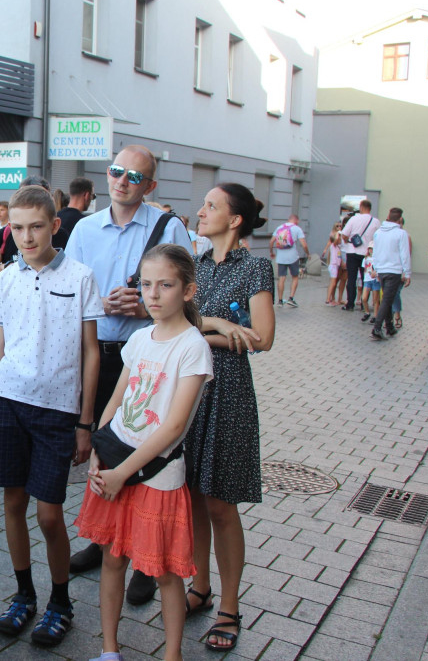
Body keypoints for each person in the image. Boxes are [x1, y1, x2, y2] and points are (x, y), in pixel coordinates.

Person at [65, 145, 191, 603]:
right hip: (97, 352)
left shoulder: (167, 226)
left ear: (150, 185)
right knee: (106, 446)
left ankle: (144, 560)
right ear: (107, 174)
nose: (122, 181)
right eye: (117, 171)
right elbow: (73, 293)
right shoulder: (84, 228)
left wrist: (142, 305)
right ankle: (102, 542)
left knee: (146, 452)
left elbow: (184, 295)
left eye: (134, 176)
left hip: (147, 356)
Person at [75, 243, 213, 661]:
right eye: (146, 284)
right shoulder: (138, 339)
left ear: (187, 291)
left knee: (166, 572)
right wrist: (100, 451)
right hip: (115, 465)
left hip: (157, 475)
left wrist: (122, 472)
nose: (153, 294)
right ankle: (109, 650)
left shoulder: (192, 347)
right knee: (113, 560)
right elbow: (115, 402)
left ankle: (172, 654)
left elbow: (173, 425)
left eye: (165, 285)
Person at [0, 186, 103, 647]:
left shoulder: (81, 275)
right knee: (11, 504)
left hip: (58, 412)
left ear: (55, 226)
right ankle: (24, 594)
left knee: (50, 515)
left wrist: (84, 421)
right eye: (17, 228)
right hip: (8, 405)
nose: (26, 237)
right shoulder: (5, 280)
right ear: (8, 229)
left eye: (36, 227)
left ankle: (60, 600)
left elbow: (91, 353)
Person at [186, 183, 275, 652]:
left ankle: (230, 605)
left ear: (234, 219)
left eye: (211, 206)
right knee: (192, 495)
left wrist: (202, 334)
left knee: (220, 502)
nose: (201, 211)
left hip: (229, 391)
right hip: (188, 387)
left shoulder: (256, 266)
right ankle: (199, 588)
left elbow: (261, 338)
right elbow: (174, 321)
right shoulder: (195, 265)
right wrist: (219, 326)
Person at [369, 208, 412, 341]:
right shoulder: (401, 233)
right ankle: (377, 327)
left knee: (387, 298)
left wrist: (375, 268)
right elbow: (405, 254)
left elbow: (375, 252)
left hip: (381, 270)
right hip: (394, 270)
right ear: (400, 219)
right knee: (388, 299)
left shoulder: (378, 232)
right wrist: (407, 272)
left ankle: (389, 326)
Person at [340, 200, 380, 311]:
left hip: (352, 252)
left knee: (351, 278)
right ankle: (364, 303)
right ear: (370, 208)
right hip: (367, 254)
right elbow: (378, 238)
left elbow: (344, 235)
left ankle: (350, 304)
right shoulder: (375, 222)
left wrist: (349, 241)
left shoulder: (353, 219)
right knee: (365, 279)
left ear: (361, 207)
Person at [270, 215, 309, 308]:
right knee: (295, 277)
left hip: (281, 257)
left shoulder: (279, 227)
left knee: (281, 278)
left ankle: (280, 301)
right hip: (293, 257)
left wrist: (271, 252)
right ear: (296, 220)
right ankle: (291, 298)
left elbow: (271, 242)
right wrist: (308, 253)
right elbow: (304, 244)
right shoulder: (297, 229)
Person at [323, 222, 344, 306]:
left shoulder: (339, 246)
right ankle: (328, 299)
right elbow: (335, 240)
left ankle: (330, 299)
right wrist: (338, 233)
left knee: (334, 282)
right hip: (333, 266)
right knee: (333, 283)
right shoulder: (334, 245)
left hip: (336, 265)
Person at [360, 247, 380, 322]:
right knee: (364, 298)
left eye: (373, 249)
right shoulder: (365, 259)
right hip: (367, 280)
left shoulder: (378, 258)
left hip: (375, 280)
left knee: (375, 300)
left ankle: (375, 316)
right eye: (370, 249)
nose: (371, 250)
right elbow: (364, 269)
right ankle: (367, 312)